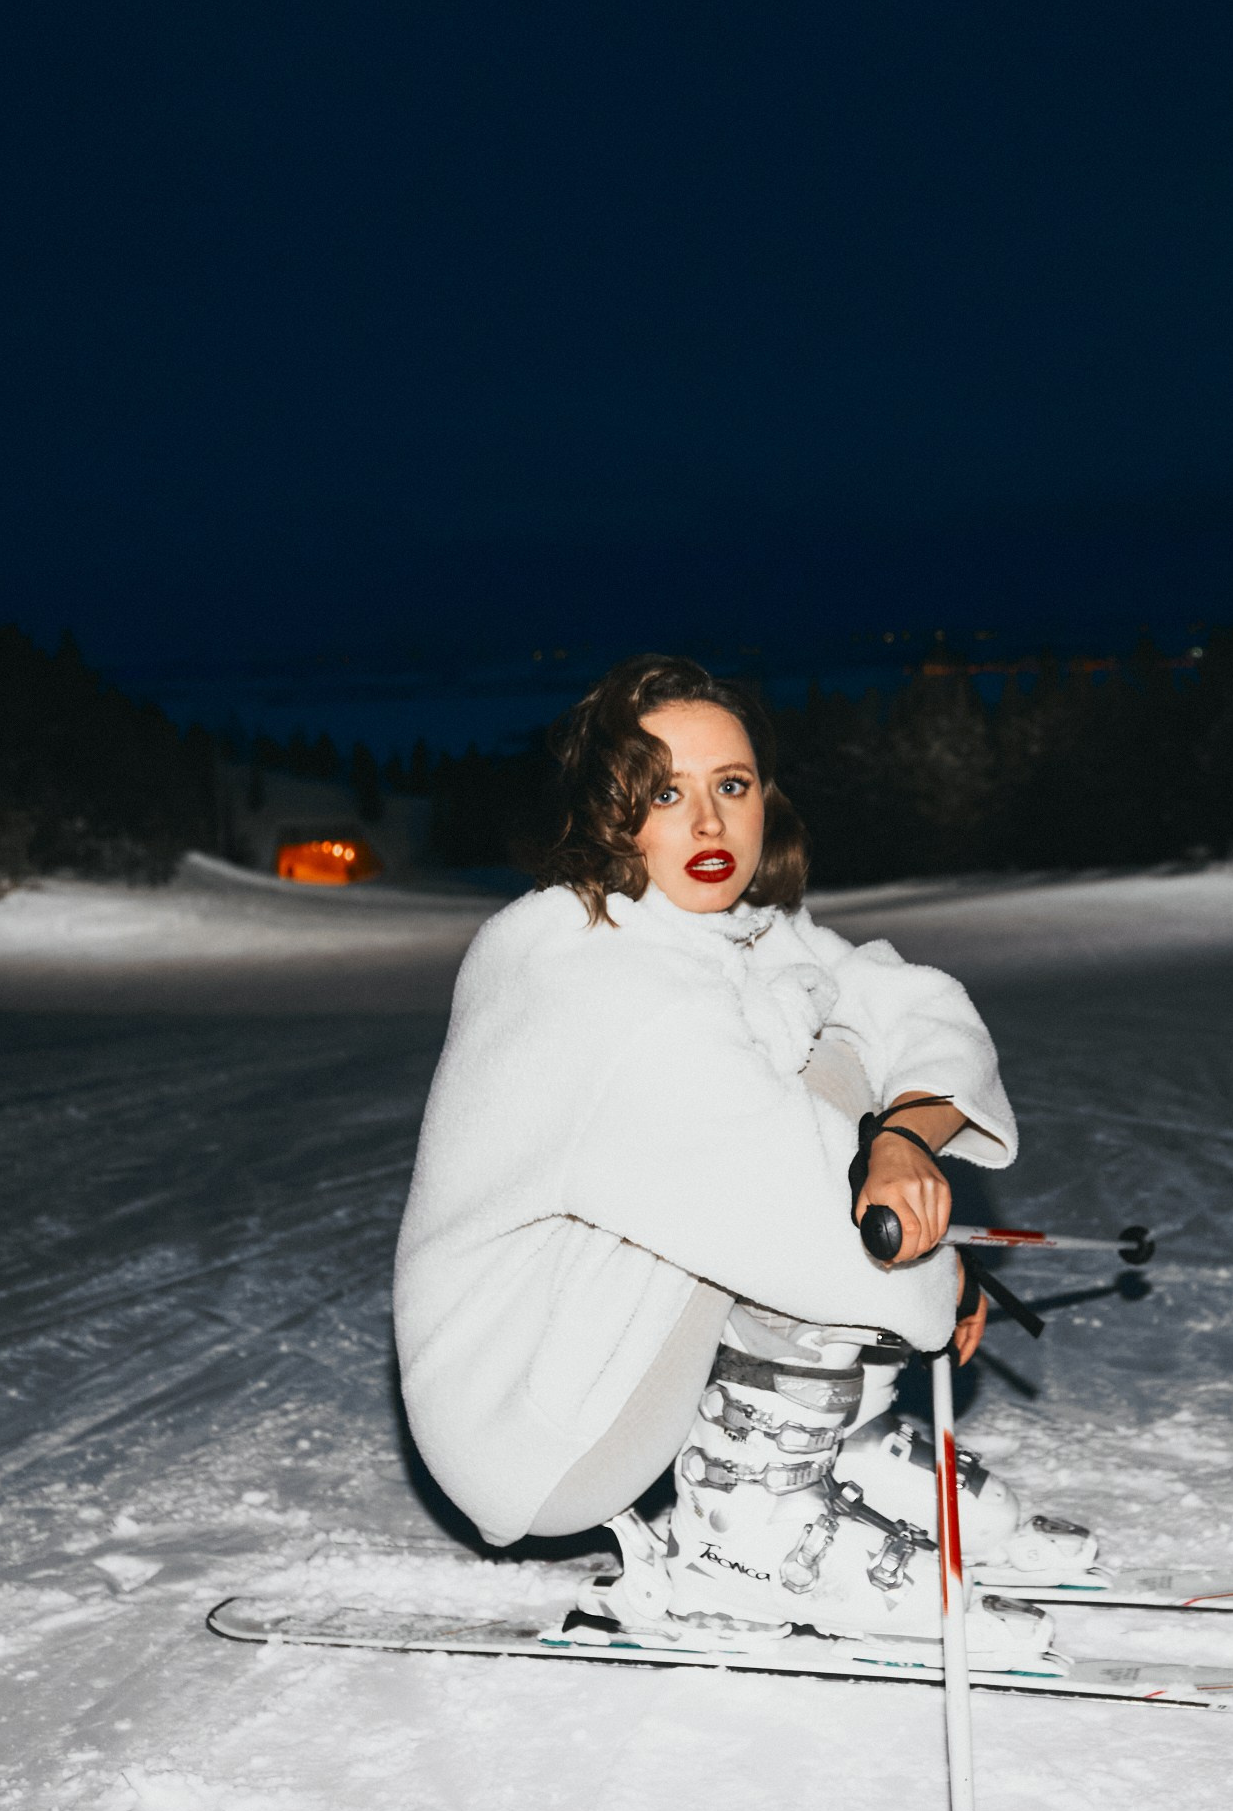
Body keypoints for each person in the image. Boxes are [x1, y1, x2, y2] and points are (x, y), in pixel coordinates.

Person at [394, 654, 1079, 1652]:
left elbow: (918, 1003)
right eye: (663, 792)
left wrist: (905, 1136)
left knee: (838, 1046)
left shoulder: (743, 931)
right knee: (822, 1079)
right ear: (605, 813)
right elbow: (795, 1208)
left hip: (609, 1345)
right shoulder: (591, 979)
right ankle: (749, 1527)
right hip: (536, 1414)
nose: (709, 826)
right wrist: (936, 1270)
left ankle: (827, 1448)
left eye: (731, 785)